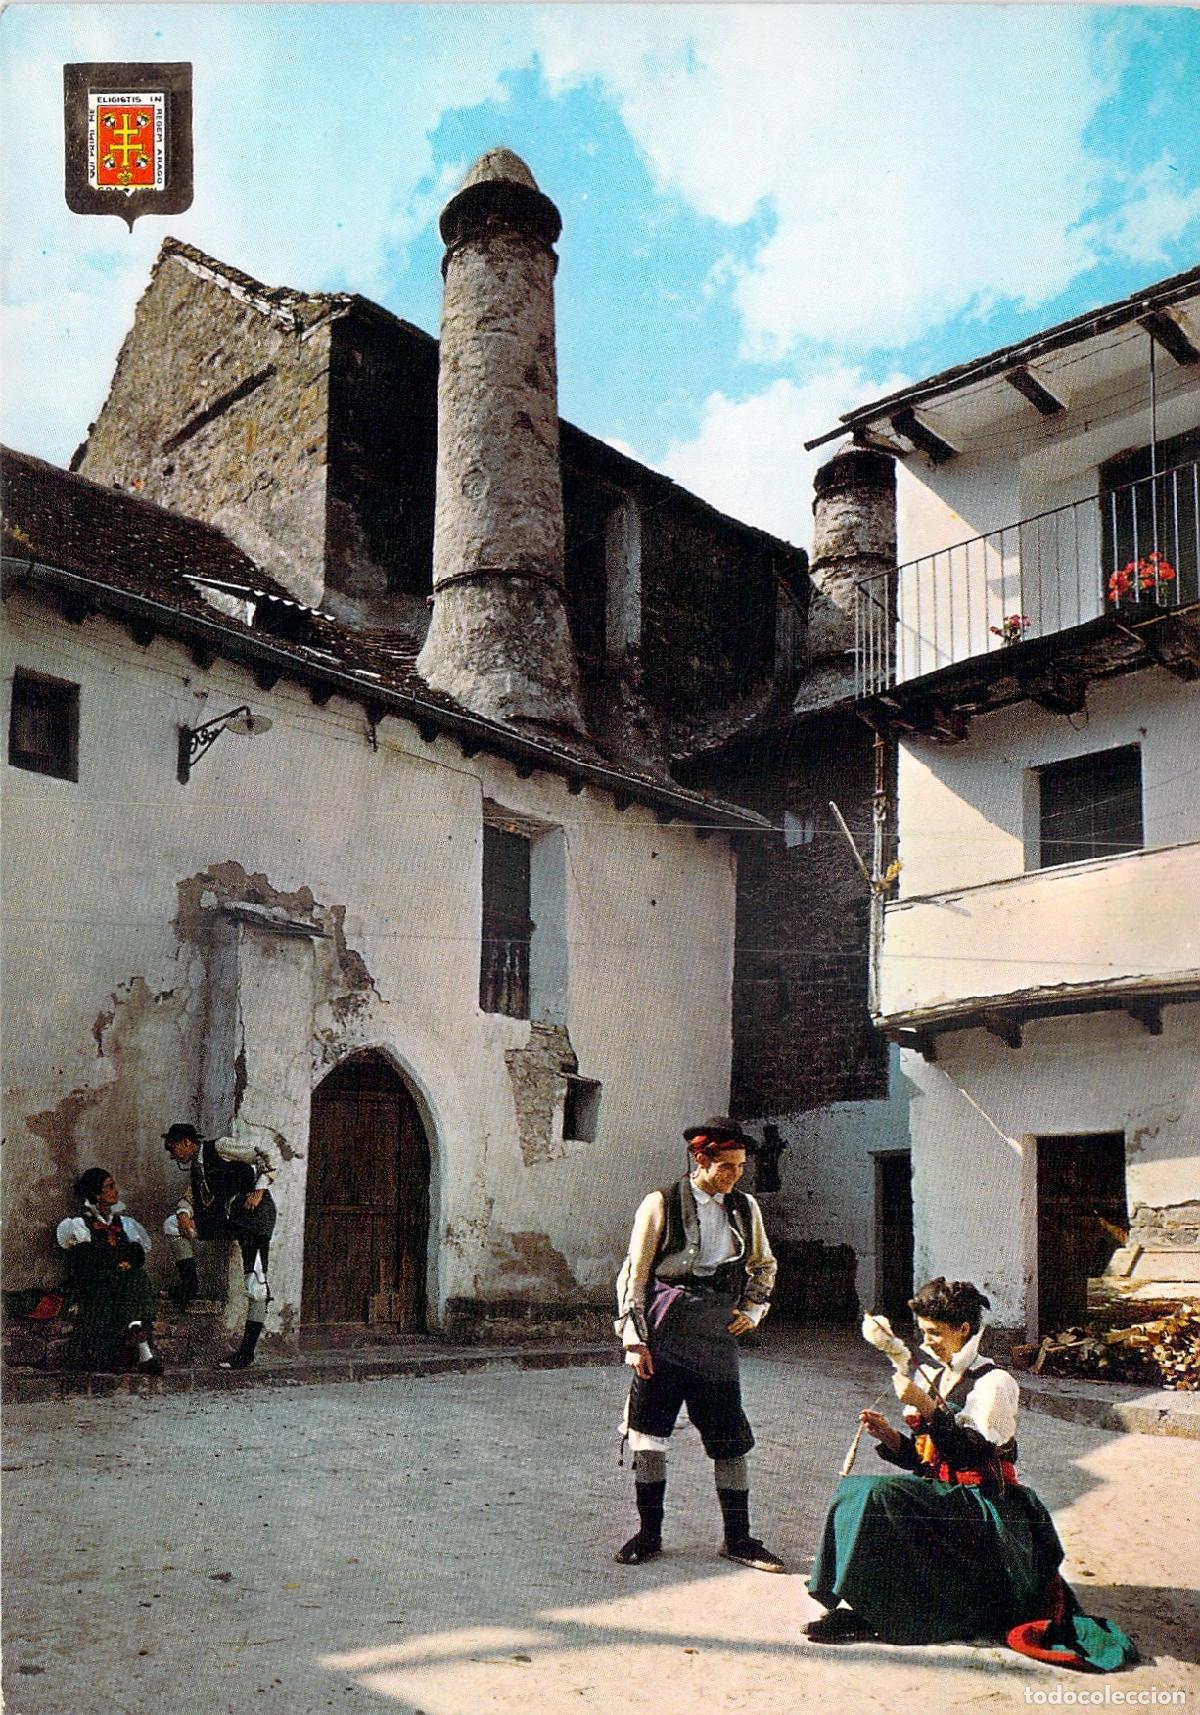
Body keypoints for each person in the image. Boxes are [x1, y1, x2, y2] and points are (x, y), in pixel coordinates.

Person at [805, 1276, 1137, 1671]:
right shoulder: (944, 1376)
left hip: (987, 1506)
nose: (926, 1343)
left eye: (934, 1333)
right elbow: (930, 1459)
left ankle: (877, 1610)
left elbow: (970, 1452)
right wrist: (892, 1438)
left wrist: (927, 1408)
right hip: (950, 1495)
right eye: (922, 1333)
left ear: (963, 1329)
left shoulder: (996, 1383)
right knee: (857, 1492)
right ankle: (863, 1603)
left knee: (877, 1496)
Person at [613, 1115, 784, 1573]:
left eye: (741, 1166)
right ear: (700, 1158)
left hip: (714, 1339)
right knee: (649, 1435)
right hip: (664, 1332)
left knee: (730, 1439)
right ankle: (648, 1535)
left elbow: (764, 1266)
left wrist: (751, 1311)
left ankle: (739, 1538)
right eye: (727, 1166)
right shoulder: (661, 1203)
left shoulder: (745, 1208)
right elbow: (635, 1274)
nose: (736, 1175)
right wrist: (634, 1340)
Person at [161, 1118, 279, 1369]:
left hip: (254, 1219)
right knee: (172, 1225)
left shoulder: (221, 1147)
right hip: (228, 1221)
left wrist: (259, 1189)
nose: (172, 1155)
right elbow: (192, 1197)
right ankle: (190, 1286)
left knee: (256, 1284)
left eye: (173, 1148)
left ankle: (246, 1353)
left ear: (186, 1142)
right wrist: (184, 1213)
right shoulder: (196, 1167)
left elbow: (265, 1156)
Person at [57, 1168, 163, 1375]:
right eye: (110, 1187)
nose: (115, 1191)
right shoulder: (80, 1225)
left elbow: (137, 1253)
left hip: (118, 1279)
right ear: (97, 1194)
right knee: (125, 1281)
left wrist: (127, 1262)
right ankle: (143, 1351)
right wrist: (117, 1261)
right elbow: (87, 1258)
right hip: (95, 1283)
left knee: (137, 1275)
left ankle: (140, 1342)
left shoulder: (122, 1222)